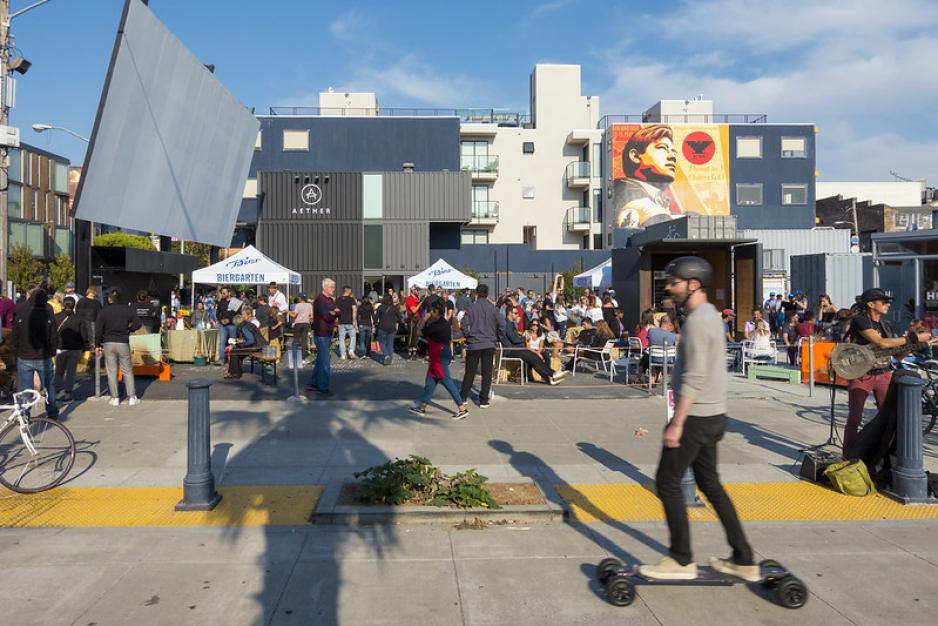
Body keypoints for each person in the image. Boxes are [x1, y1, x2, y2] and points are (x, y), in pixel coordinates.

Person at [639, 256, 758, 582]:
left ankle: (680, 559)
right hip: (712, 415)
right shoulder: (708, 317)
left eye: (674, 282)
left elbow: (694, 376)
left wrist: (677, 422)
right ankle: (744, 558)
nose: (668, 287)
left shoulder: (698, 321)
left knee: (666, 482)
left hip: (696, 417)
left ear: (693, 284)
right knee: (710, 484)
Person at [843, 288, 931, 451]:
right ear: (870, 304)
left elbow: (896, 356)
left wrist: (911, 347)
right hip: (861, 374)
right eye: (884, 302)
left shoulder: (886, 325)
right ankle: (848, 455)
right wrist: (914, 337)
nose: (888, 305)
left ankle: (884, 454)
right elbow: (881, 343)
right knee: (855, 418)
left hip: (884, 373)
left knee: (890, 416)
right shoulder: (860, 321)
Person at [408, 302, 470, 419]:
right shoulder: (444, 323)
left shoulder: (436, 325)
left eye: (432, 311)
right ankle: (422, 407)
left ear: (436, 311)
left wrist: (424, 319)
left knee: (446, 381)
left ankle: (462, 409)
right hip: (441, 353)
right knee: (430, 381)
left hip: (438, 355)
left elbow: (418, 332)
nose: (430, 313)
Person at [612, 124, 681, 228]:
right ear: (635, 156)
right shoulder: (624, 191)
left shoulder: (658, 199)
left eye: (674, 152)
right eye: (663, 148)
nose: (672, 157)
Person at [9, 286, 59, 420]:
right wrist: (52, 351)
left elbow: (15, 336)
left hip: (24, 356)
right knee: (49, 386)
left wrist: (15, 352)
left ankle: (25, 413)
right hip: (43, 356)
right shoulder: (48, 316)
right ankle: (52, 412)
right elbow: (53, 337)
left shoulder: (22, 315)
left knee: (26, 389)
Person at [95, 288, 143, 406]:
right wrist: (129, 330)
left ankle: (115, 398)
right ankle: (132, 397)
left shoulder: (104, 311)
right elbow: (138, 323)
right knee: (127, 370)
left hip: (108, 342)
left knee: (111, 371)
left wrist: (97, 344)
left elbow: (98, 329)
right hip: (123, 341)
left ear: (110, 299)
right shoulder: (128, 310)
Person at [459, 283, 504, 410]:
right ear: (487, 293)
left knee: (470, 372)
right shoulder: (494, 309)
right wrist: (498, 337)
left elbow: (463, 324)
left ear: (477, 294)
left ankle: (463, 396)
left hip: (474, 343)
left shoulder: (471, 308)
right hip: (489, 343)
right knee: (487, 372)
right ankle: (483, 399)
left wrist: (468, 336)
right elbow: (502, 325)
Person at [501, 308, 567, 385]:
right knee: (533, 356)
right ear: (510, 313)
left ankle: (550, 376)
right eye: (515, 313)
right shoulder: (507, 323)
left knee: (534, 356)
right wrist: (525, 338)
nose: (517, 315)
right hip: (511, 350)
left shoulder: (510, 323)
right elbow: (514, 339)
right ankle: (551, 374)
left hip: (516, 348)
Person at [307, 278, 339, 395]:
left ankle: (314, 382)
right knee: (325, 362)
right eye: (331, 287)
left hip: (327, 333)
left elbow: (337, 312)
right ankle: (323, 386)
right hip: (321, 334)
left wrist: (334, 312)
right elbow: (327, 316)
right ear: (324, 287)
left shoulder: (330, 300)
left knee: (321, 359)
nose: (333, 289)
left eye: (334, 287)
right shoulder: (320, 300)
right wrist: (334, 313)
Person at [54, 298, 88, 402]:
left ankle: (56, 392)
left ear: (63, 305)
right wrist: (85, 346)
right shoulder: (79, 319)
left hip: (60, 348)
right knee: (71, 372)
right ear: (74, 305)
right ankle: (68, 392)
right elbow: (83, 335)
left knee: (59, 371)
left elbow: (52, 333)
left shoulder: (56, 317)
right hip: (75, 348)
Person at [224, 306, 266, 379]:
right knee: (235, 350)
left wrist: (241, 342)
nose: (243, 316)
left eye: (243, 314)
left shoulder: (244, 327)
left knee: (234, 351)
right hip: (259, 345)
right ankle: (234, 372)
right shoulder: (246, 324)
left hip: (257, 346)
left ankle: (234, 373)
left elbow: (251, 340)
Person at [374, 294, 400, 365]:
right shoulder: (394, 308)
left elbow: (375, 319)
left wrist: (375, 324)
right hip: (392, 327)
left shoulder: (380, 307)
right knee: (390, 343)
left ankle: (386, 355)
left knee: (381, 342)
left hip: (382, 327)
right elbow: (400, 318)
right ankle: (390, 359)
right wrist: (397, 323)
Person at [335, 285, 358, 360]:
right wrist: (354, 321)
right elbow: (354, 311)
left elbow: (336, 311)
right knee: (353, 336)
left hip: (341, 322)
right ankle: (351, 349)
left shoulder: (338, 299)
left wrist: (337, 319)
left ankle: (343, 355)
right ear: (349, 291)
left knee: (341, 339)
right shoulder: (352, 300)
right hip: (350, 322)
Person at [215, 287, 237, 364]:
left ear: (229, 293)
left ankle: (233, 360)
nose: (223, 294)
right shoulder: (221, 301)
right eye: (222, 293)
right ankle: (222, 359)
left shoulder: (234, 301)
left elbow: (236, 314)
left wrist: (229, 320)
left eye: (224, 293)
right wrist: (221, 320)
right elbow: (217, 313)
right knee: (222, 342)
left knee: (232, 342)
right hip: (223, 325)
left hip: (232, 325)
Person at [289, 293, 313, 363]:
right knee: (304, 341)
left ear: (300, 298)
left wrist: (288, 312)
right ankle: (303, 358)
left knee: (296, 340)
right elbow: (311, 316)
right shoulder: (309, 305)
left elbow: (294, 315)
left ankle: (294, 357)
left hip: (298, 323)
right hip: (306, 324)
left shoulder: (298, 305)